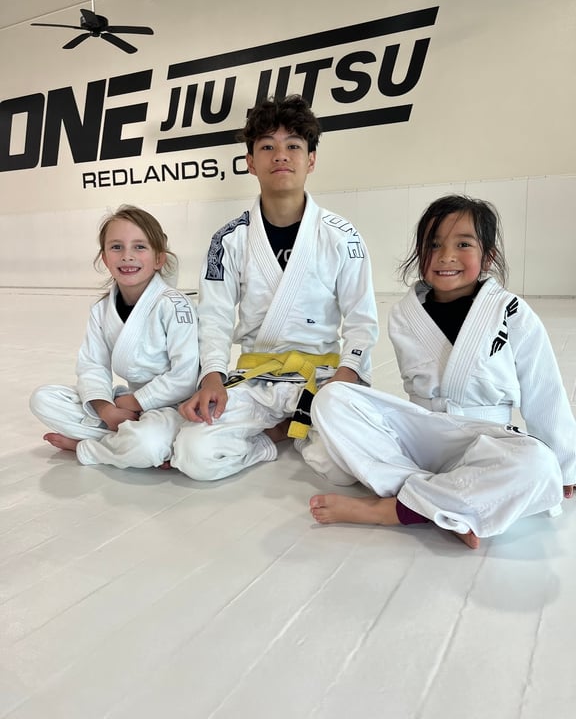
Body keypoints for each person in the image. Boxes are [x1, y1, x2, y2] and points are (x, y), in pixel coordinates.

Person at [309, 194, 575, 548]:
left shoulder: (511, 312)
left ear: (488, 256)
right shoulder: (404, 314)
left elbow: (544, 389)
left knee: (538, 464)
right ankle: (448, 502)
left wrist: (564, 463)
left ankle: (395, 508)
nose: (446, 256)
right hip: (424, 431)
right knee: (331, 399)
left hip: (484, 439)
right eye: (434, 245)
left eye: (463, 244)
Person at [172, 95, 378, 481]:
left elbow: (362, 319)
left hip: (320, 378)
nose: (280, 155)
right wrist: (212, 374)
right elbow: (214, 317)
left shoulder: (342, 236)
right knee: (193, 453)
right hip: (257, 380)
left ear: (311, 160)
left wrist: (348, 373)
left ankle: (295, 428)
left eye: (293, 146)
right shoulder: (228, 240)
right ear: (250, 162)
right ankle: (277, 435)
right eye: (267, 146)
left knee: (345, 468)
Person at [29, 205, 199, 469]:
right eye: (116, 247)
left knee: (146, 444)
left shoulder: (175, 305)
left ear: (159, 259)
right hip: (126, 406)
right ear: (105, 259)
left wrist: (136, 401)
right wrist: (106, 409)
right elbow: (92, 366)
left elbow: (185, 376)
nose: (127, 256)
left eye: (139, 247)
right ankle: (127, 441)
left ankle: (89, 446)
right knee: (43, 399)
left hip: (174, 407)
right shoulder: (102, 310)